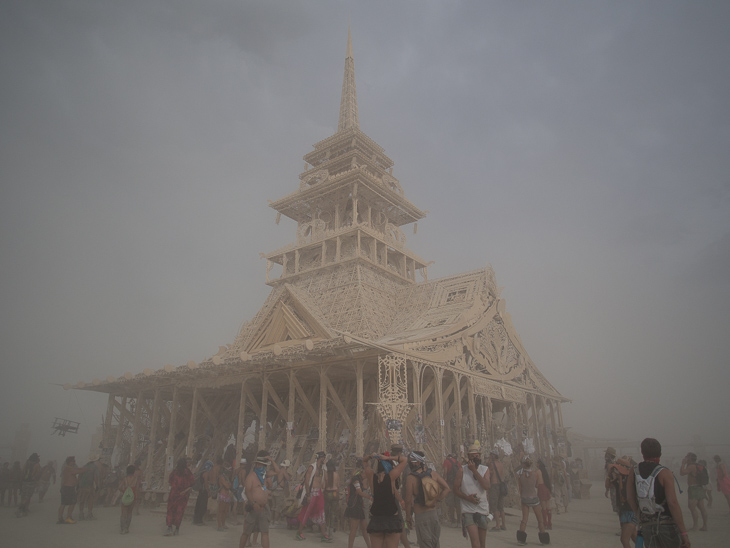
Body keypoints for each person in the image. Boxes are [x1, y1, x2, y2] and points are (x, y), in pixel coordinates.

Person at [626, 437, 691, 548]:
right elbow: (673, 503)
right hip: (666, 526)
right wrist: (683, 532)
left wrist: (639, 515)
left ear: (642, 453)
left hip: (647, 525)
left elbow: (630, 498)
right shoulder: (664, 472)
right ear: (660, 453)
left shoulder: (634, 471)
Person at [404, 451, 450, 548]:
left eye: (412, 461)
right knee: (435, 543)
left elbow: (408, 501)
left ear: (417, 462)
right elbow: (447, 489)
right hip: (434, 515)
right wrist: (437, 500)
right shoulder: (433, 474)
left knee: (425, 544)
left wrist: (408, 517)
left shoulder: (411, 478)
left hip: (421, 516)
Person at [363, 450, 408, 548]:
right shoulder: (391, 477)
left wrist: (371, 456)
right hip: (391, 517)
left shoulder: (371, 476)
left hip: (376, 518)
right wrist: (388, 458)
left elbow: (364, 462)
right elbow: (404, 460)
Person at [239, 450, 283, 548]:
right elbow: (247, 491)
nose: (263, 467)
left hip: (264, 508)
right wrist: (253, 503)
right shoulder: (251, 476)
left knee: (265, 532)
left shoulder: (264, 475)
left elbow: (277, 471)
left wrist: (271, 460)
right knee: (246, 532)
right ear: (257, 465)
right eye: (262, 465)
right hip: (254, 508)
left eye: (265, 465)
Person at [454, 444, 491, 548]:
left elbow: (486, 486)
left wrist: (474, 470)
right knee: (475, 543)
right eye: (472, 456)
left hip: (482, 509)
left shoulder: (485, 469)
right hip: (468, 509)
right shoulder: (462, 470)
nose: (475, 458)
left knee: (482, 543)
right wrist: (467, 498)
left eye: (477, 456)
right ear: (468, 457)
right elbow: (455, 489)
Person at [296, 451, 332, 542]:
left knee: (321, 513)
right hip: (311, 492)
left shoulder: (323, 468)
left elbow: (326, 480)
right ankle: (299, 532)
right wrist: (308, 495)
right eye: (323, 457)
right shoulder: (312, 467)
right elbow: (307, 482)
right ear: (320, 458)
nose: (324, 459)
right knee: (306, 512)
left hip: (319, 492)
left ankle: (324, 535)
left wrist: (325, 468)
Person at [515, 455, 548, 546]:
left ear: (523, 464)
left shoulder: (520, 475)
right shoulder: (535, 474)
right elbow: (537, 485)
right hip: (534, 498)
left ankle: (521, 539)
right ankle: (544, 539)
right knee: (540, 519)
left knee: (524, 519)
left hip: (525, 498)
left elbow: (520, 488)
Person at [606, 456, 637, 548]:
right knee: (633, 536)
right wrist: (609, 474)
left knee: (624, 539)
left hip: (630, 511)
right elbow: (608, 485)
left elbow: (623, 497)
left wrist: (619, 479)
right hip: (624, 511)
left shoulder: (629, 480)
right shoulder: (620, 478)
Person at [164, 457, 195, 536]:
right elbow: (192, 483)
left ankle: (169, 527)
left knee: (171, 510)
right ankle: (177, 529)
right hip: (183, 495)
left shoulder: (174, 472)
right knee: (179, 512)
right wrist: (185, 491)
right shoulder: (188, 472)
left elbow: (170, 481)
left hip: (173, 494)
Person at [344, 461, 372, 548]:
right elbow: (359, 492)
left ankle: (369, 546)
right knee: (354, 529)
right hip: (355, 506)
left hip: (359, 506)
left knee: (364, 528)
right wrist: (370, 497)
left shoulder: (359, 479)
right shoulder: (356, 479)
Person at [679, 452, 707, 531]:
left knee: (692, 507)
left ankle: (695, 526)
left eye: (687, 457)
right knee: (702, 507)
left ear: (690, 458)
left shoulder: (691, 466)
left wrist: (683, 464)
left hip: (693, 488)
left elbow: (682, 473)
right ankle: (705, 525)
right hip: (700, 487)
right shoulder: (699, 465)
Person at [57, 456, 84, 524]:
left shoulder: (66, 468)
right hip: (69, 488)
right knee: (72, 503)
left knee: (63, 503)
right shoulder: (69, 468)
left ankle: (61, 518)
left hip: (66, 487)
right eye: (73, 461)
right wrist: (88, 469)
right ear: (70, 462)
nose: (74, 462)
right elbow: (79, 471)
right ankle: (68, 517)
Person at [17, 452, 41, 517]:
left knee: (23, 495)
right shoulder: (37, 464)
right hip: (31, 482)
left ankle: (25, 508)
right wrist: (37, 481)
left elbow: (22, 471)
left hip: (24, 481)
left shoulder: (27, 463)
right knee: (28, 496)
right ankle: (22, 508)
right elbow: (38, 473)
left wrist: (21, 481)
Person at [488, 449, 507, 532]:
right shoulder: (500, 464)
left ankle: (497, 525)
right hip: (500, 485)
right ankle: (503, 524)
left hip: (494, 485)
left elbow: (490, 474)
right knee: (501, 507)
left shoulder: (492, 464)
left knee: (494, 506)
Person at [77, 454, 101, 520]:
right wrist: (97, 486)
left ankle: (81, 514)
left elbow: (79, 476)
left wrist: (78, 485)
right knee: (90, 500)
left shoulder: (84, 466)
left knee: (82, 500)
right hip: (90, 486)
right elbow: (95, 477)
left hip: (82, 486)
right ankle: (89, 514)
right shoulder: (95, 467)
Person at [118, 464, 139, 534]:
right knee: (130, 512)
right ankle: (127, 528)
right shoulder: (136, 479)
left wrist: (124, 491)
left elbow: (119, 487)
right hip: (132, 497)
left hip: (125, 496)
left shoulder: (125, 479)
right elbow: (137, 489)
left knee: (123, 513)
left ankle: (122, 528)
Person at [442, 453, 460, 527]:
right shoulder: (457, 462)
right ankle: (459, 521)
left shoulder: (446, 461)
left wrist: (444, 481)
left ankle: (452, 520)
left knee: (451, 503)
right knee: (458, 503)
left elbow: (445, 472)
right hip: (458, 485)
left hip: (450, 484)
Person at [192, 459, 213, 525]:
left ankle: (196, 519)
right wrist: (209, 491)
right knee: (203, 506)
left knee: (199, 505)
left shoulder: (201, 472)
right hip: (204, 491)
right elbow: (206, 484)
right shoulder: (206, 473)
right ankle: (199, 520)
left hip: (201, 490)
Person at [271, 459, 291, 524]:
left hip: (274, 490)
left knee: (273, 506)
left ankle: (272, 520)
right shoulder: (283, 470)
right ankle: (276, 521)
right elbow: (288, 478)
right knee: (278, 507)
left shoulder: (278, 470)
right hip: (279, 490)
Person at [216, 456, 234, 531]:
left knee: (226, 511)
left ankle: (223, 524)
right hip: (223, 494)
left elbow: (229, 485)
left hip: (227, 495)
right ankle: (219, 525)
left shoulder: (226, 477)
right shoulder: (222, 477)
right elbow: (227, 486)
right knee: (221, 510)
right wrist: (228, 485)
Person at [324, 459, 341, 536]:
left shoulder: (326, 475)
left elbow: (323, 486)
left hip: (327, 494)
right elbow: (338, 485)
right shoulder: (336, 475)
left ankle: (325, 528)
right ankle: (331, 529)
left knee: (326, 512)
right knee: (333, 513)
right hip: (335, 493)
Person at [536, 458, 553, 530]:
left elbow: (537, 483)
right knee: (548, 506)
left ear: (539, 464)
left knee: (543, 507)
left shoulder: (538, 471)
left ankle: (545, 522)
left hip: (541, 488)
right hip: (546, 487)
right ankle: (549, 523)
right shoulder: (545, 471)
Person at [232, 458, 248, 524]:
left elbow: (232, 479)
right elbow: (243, 480)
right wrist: (246, 488)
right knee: (244, 503)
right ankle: (245, 520)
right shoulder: (243, 471)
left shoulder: (236, 470)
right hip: (241, 488)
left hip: (235, 488)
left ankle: (235, 520)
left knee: (235, 504)